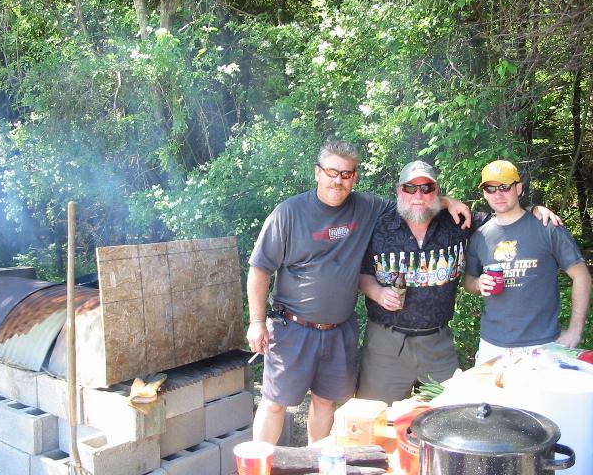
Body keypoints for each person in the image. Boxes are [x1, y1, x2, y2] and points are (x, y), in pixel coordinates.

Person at [246, 143, 471, 445]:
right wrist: (256, 322)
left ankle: (317, 461)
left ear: (354, 177)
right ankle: (259, 463)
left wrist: (447, 201)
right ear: (317, 173)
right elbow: (259, 269)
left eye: (346, 174)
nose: (338, 180)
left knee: (326, 403)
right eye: (331, 172)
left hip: (339, 330)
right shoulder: (289, 213)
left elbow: (413, 202)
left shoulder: (367, 207)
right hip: (293, 327)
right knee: (275, 403)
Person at [357, 160, 561, 404]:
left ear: (437, 191)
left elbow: (506, 218)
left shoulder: (458, 221)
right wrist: (377, 293)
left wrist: (534, 210)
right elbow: (361, 273)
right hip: (386, 343)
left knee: (453, 413)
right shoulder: (378, 225)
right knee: (373, 415)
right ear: (399, 190)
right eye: (410, 188)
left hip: (437, 343)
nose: (418, 195)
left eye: (426, 188)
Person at [463, 160, 591, 365]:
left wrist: (575, 330)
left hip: (542, 345)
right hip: (492, 346)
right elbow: (468, 281)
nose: (498, 194)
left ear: (519, 188)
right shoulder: (480, 236)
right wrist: (478, 283)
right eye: (490, 188)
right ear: (484, 194)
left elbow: (581, 276)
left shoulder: (547, 227)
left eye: (505, 186)